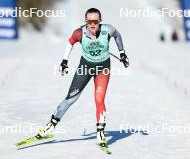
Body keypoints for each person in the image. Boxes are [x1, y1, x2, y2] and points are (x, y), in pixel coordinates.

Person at [37, 8, 129, 146]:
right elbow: (70, 42)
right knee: (71, 99)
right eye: (90, 21)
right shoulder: (79, 33)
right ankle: (51, 124)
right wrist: (64, 62)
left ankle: (100, 133)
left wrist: (122, 53)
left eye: (96, 21)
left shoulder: (108, 30)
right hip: (85, 67)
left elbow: (117, 35)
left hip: (102, 68)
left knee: (99, 99)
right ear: (85, 21)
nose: (93, 24)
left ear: (100, 21)